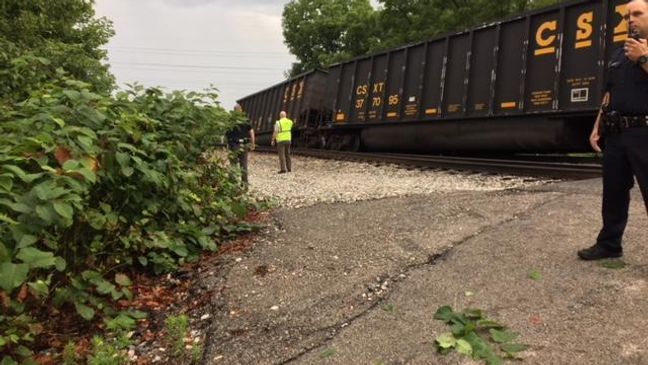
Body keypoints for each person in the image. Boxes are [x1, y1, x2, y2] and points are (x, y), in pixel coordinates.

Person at [578, 0, 648, 260]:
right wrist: (597, 125)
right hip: (616, 133)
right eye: (629, 15)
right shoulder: (620, 53)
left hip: (645, 133)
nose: (631, 19)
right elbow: (610, 92)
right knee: (614, 193)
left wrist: (643, 58)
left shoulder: (638, 52)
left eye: (638, 14)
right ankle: (609, 244)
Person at [226, 104, 255, 184]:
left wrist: (227, 144)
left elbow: (227, 133)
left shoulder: (231, 120)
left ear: (234, 111)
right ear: (241, 110)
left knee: (233, 164)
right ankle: (244, 184)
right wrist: (253, 143)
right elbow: (251, 132)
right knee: (244, 164)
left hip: (234, 145)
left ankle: (232, 184)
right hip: (244, 145)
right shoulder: (245, 120)